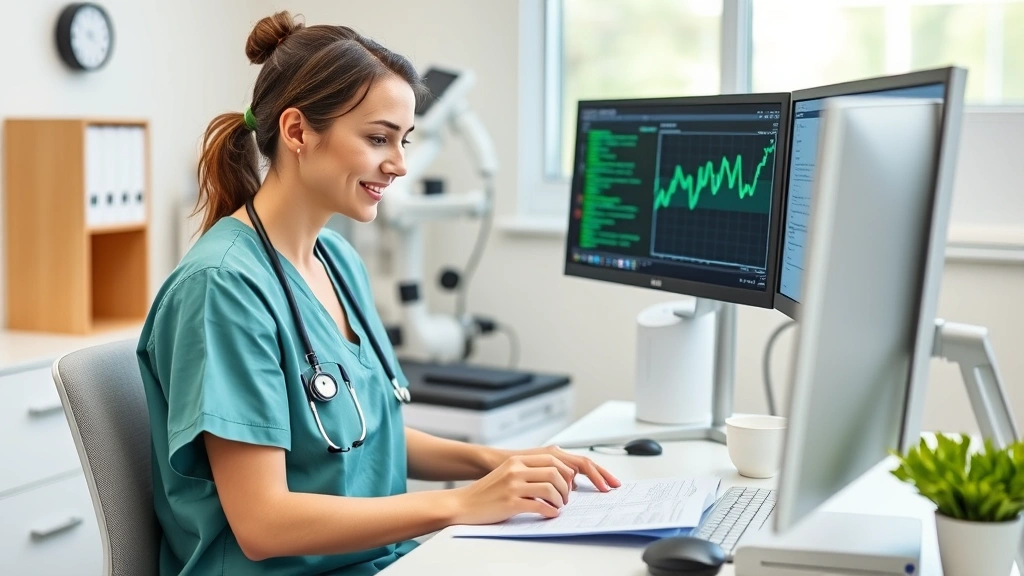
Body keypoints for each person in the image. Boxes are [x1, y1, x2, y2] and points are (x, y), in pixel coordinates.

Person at [136, 11, 621, 576]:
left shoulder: (338, 261)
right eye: (377, 138)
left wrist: (496, 461)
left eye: (404, 140)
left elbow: (364, 432)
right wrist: (462, 503)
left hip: (380, 562)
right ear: (297, 132)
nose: (399, 165)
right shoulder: (222, 289)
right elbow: (263, 523)